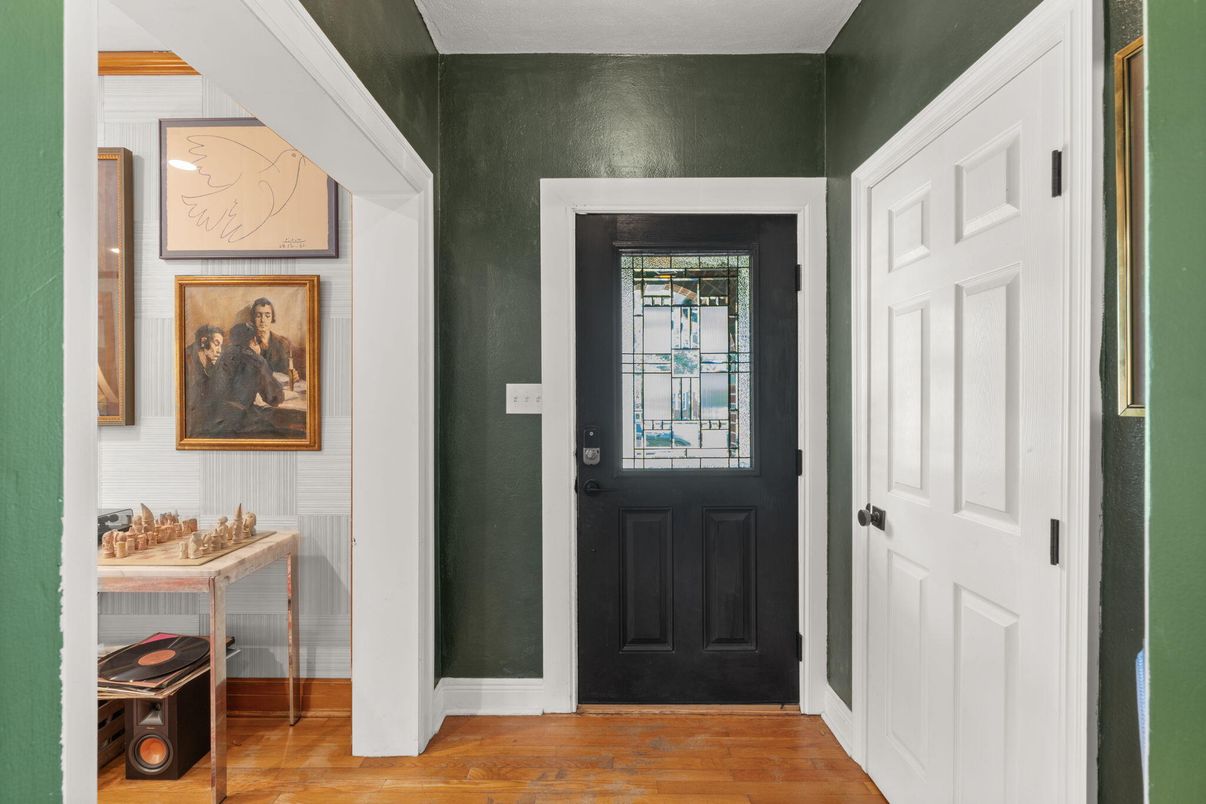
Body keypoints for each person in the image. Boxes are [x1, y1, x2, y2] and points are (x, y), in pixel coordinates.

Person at [202, 322, 284, 436]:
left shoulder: (223, 355)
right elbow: (274, 398)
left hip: (215, 420)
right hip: (239, 421)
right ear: (254, 340)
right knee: (277, 431)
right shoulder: (257, 360)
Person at [249, 297, 300, 383]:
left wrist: (292, 375)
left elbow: (285, 371)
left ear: (272, 318)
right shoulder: (247, 342)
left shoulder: (282, 343)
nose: (263, 320)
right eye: (258, 316)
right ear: (253, 318)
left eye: (267, 316)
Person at [183, 325, 223, 435]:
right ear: (204, 341)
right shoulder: (187, 361)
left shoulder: (209, 364)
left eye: (221, 346)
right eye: (216, 344)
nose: (219, 351)